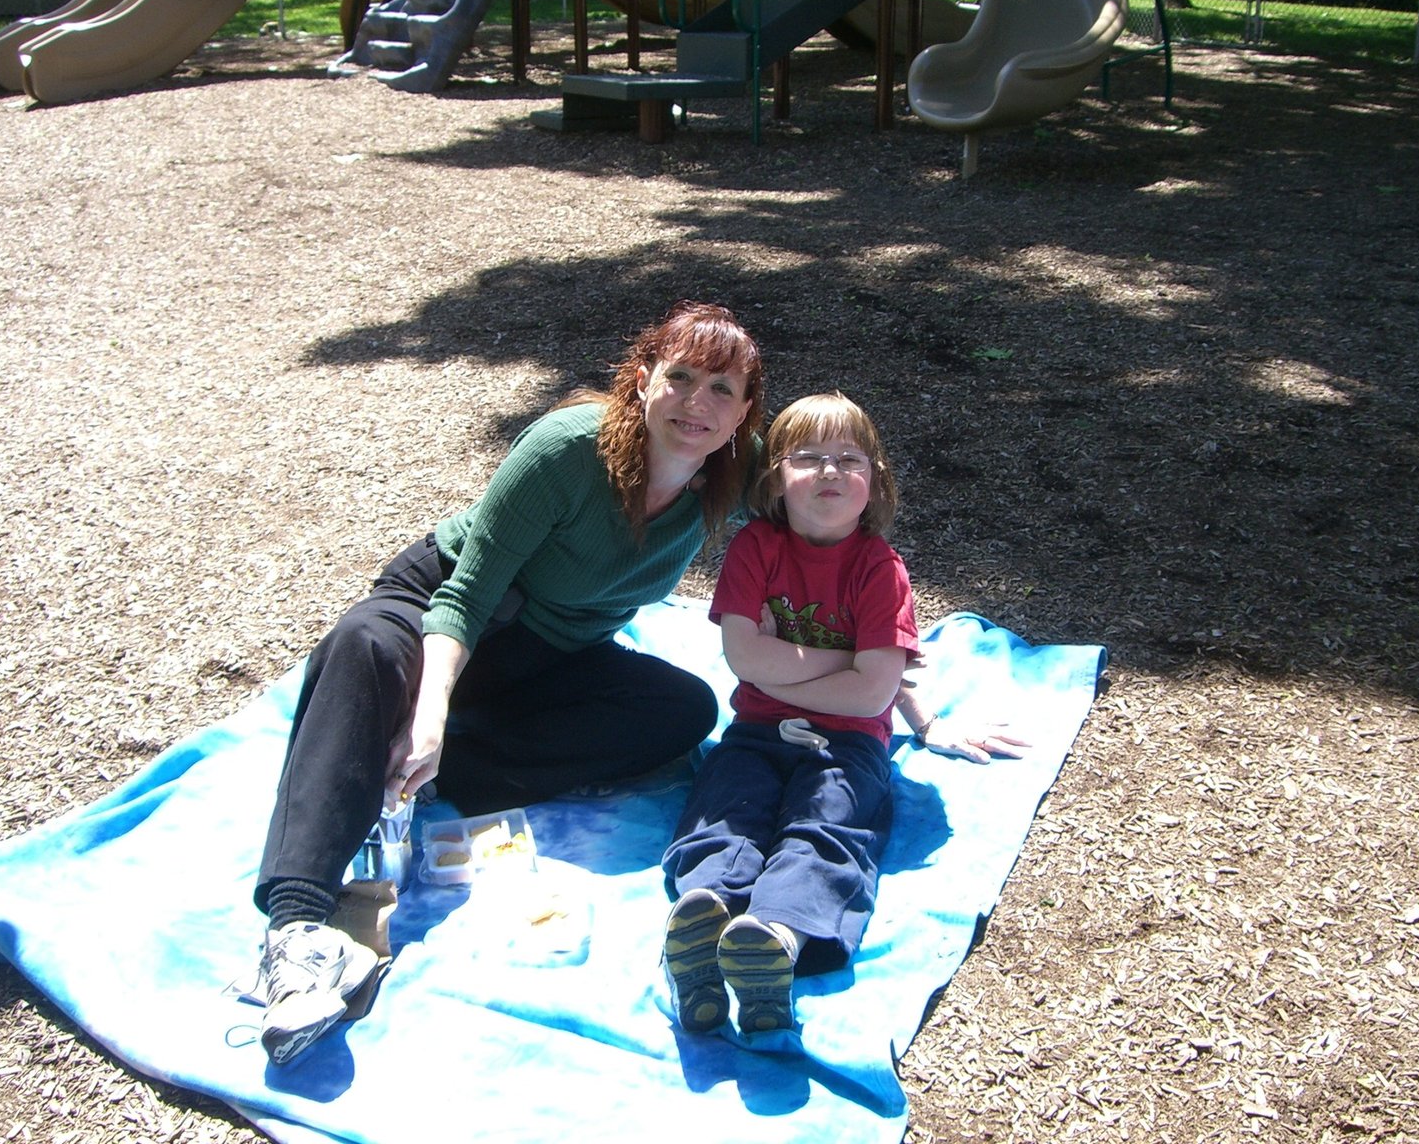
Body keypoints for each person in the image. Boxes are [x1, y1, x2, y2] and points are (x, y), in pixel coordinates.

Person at [252, 301, 765, 1064]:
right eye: (681, 377)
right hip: (449, 609)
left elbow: (829, 493)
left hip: (548, 655)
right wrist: (430, 707)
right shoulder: (568, 450)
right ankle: (296, 932)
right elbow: (465, 596)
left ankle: (414, 767)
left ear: (746, 412)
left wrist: (879, 658)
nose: (698, 403)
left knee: (683, 709)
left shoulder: (732, 470)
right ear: (642, 379)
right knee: (361, 644)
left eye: (722, 389)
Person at [659, 392, 921, 1035]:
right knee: (726, 809)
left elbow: (870, 698)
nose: (830, 470)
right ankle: (708, 917)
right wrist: (849, 663)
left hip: (849, 746)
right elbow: (744, 656)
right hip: (754, 733)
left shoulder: (880, 570)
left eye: (849, 459)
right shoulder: (756, 548)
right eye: (808, 457)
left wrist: (779, 665)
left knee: (825, 827)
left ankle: (775, 940)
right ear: (776, 479)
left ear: (873, 480)